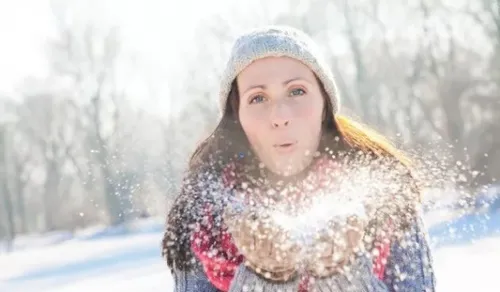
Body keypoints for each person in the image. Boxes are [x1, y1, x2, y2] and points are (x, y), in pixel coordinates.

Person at [162, 25, 436, 291]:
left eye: (297, 91)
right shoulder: (202, 214)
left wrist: (345, 278)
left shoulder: (386, 194)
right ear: (238, 117)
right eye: (258, 98)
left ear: (324, 104)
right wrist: (264, 282)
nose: (280, 116)